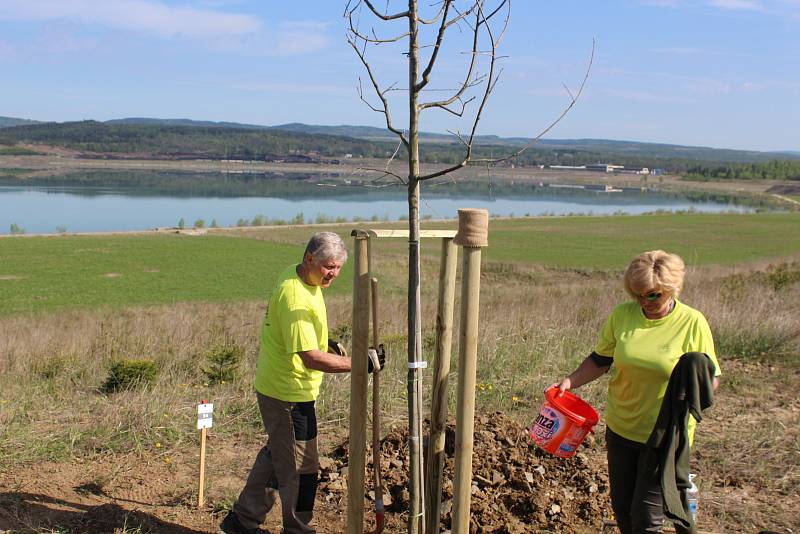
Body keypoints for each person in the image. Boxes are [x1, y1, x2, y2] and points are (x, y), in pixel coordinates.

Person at [221, 232, 383, 534]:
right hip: (287, 395)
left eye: (338, 268)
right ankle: (298, 529)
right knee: (301, 469)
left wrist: (325, 341)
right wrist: (363, 364)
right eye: (329, 267)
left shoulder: (302, 276)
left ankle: (241, 521)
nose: (333, 274)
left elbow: (303, 338)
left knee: (278, 456)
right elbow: (310, 357)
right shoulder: (294, 296)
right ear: (310, 258)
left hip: (283, 388)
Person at [553, 250, 721, 534]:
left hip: (664, 437)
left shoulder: (692, 322)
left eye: (653, 295)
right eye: (638, 295)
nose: (645, 302)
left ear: (670, 289)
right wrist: (569, 382)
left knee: (645, 520)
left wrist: (691, 385)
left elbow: (710, 380)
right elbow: (600, 360)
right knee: (624, 511)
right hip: (621, 427)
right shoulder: (622, 315)